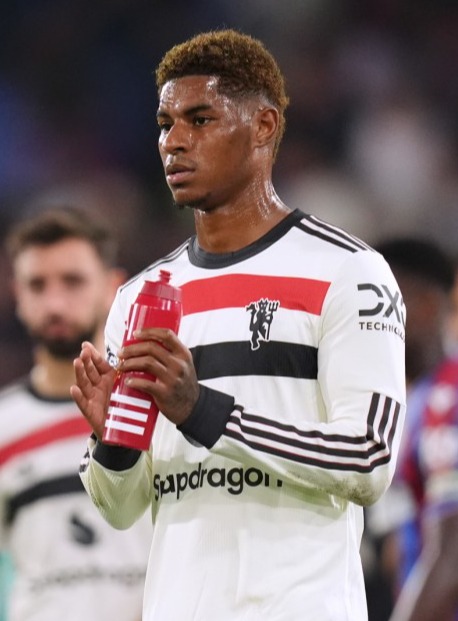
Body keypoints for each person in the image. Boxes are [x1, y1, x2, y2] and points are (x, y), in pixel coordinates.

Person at [72, 29, 406, 621]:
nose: (173, 142)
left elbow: (369, 458)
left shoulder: (348, 272)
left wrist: (204, 411)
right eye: (164, 123)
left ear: (265, 127)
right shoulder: (137, 299)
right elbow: (124, 511)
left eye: (199, 119)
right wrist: (113, 446)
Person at [0, 207, 151, 621]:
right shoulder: (4, 427)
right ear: (18, 294)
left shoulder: (156, 410)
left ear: (113, 287)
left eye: (73, 281)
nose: (54, 302)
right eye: (37, 285)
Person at [366, 237, 458, 621]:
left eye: (377, 305)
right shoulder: (408, 406)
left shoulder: (447, 399)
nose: (366, 322)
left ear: (424, 305)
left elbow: (453, 548)